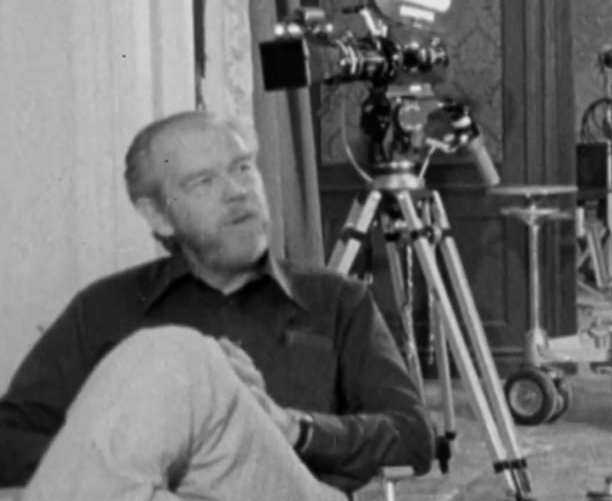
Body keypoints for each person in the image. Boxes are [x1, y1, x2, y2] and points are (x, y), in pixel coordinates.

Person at [0, 110, 434, 500]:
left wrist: (294, 428)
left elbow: (414, 437)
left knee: (172, 353)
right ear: (158, 216)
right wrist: (153, 459)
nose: (238, 191)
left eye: (243, 167)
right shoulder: (105, 308)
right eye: (203, 182)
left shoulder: (336, 300)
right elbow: (7, 439)